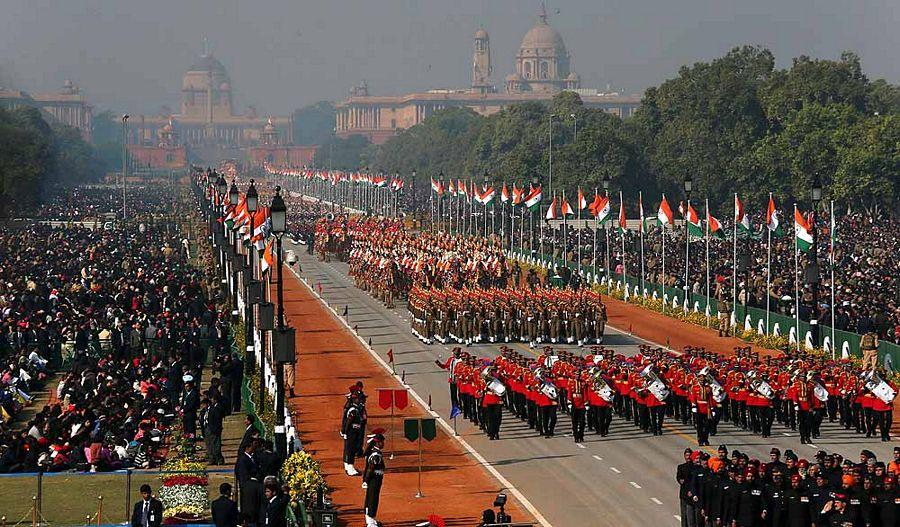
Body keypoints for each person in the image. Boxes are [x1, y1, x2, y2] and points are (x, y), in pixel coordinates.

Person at [362, 432, 386, 527]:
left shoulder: (374, 452)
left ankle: (371, 519)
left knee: (371, 498)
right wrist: (366, 481)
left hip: (375, 479)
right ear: (377, 443)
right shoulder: (376, 455)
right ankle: (370, 522)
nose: (383, 444)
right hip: (374, 480)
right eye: (381, 442)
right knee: (372, 499)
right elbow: (370, 469)